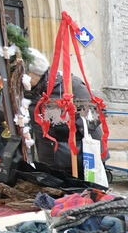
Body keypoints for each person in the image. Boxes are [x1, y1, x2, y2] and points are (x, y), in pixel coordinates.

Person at [19, 48, 102, 176]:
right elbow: (7, 109)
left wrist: (65, 121)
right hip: (50, 159)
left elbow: (94, 116)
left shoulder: (70, 84)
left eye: (23, 75)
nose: (20, 80)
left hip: (80, 159)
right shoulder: (30, 92)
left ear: (34, 74)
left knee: (81, 195)